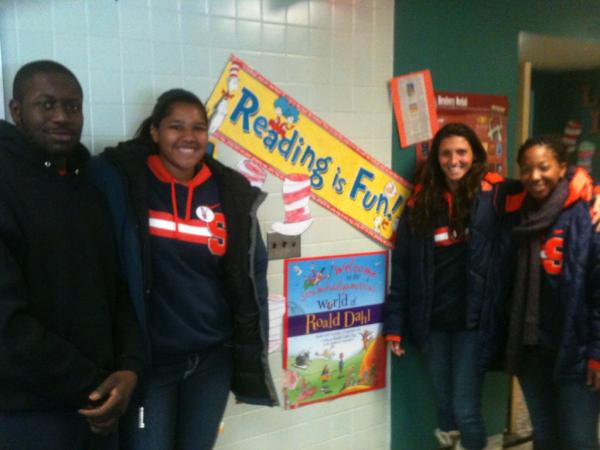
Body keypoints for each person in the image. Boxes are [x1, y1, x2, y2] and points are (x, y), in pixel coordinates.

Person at [88, 88, 278, 450]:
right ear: (155, 132)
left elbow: (252, 277)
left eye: (198, 128)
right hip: (149, 362)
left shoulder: (229, 193)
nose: (188, 137)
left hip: (211, 361)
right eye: (176, 126)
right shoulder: (125, 183)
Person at [0, 60, 143, 449]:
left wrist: (129, 369)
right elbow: (7, 327)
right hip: (27, 416)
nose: (62, 116)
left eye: (73, 105)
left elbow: (115, 290)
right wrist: (95, 386)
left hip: (100, 408)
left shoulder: (89, 189)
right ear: (16, 112)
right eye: (46, 105)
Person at [384, 123, 516, 450]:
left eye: (461, 152)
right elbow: (402, 269)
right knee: (444, 405)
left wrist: (586, 186)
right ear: (436, 158)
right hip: (434, 323)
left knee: (465, 408)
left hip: (475, 324)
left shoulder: (496, 193)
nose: (453, 160)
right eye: (446, 153)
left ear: (474, 154)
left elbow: (547, 182)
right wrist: (395, 326)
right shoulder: (420, 202)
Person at [505, 136, 600, 450]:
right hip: (532, 350)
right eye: (527, 169)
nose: (535, 177)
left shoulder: (588, 215)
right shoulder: (516, 213)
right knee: (545, 439)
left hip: (577, 351)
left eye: (543, 167)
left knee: (579, 440)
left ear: (562, 168)